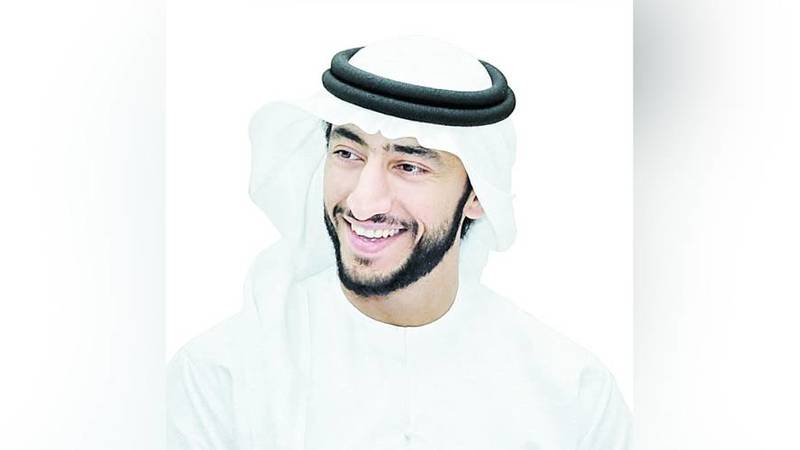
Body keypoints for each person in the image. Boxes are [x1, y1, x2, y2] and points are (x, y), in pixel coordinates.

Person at [167, 36, 632, 450]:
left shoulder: (572, 394)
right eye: (347, 153)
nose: (363, 202)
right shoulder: (219, 378)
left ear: (477, 194)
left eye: (409, 166)